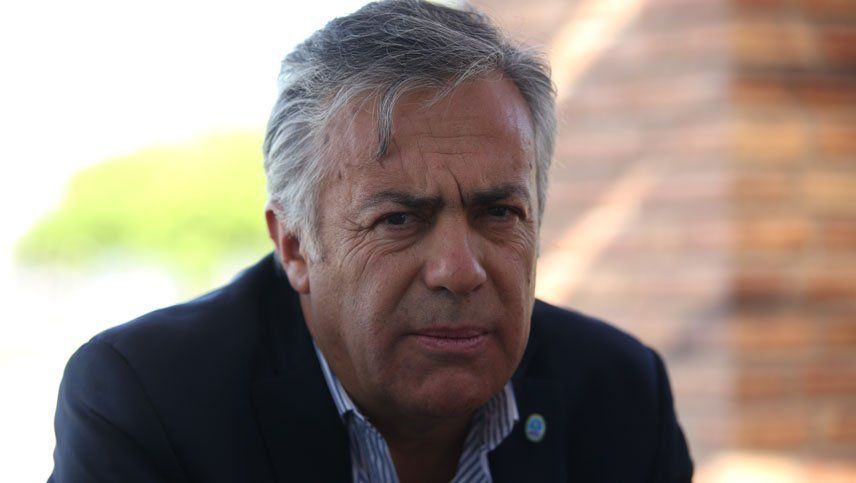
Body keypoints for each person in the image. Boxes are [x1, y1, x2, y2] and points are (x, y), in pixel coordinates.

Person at [49, 1, 693, 481]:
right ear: (294, 247)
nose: (459, 270)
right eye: (399, 220)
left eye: (499, 212)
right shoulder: (151, 400)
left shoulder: (619, 393)